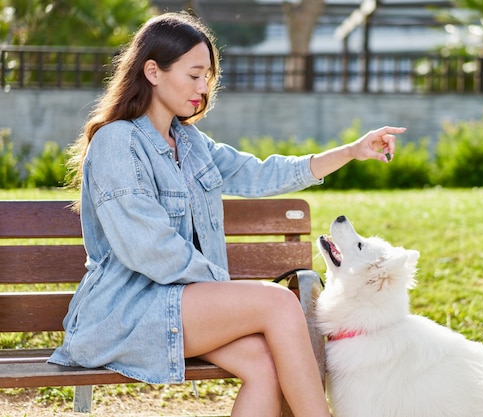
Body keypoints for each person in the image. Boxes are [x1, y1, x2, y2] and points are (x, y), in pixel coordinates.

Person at [49, 11, 405, 417]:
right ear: (153, 71)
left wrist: (350, 151)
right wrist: (226, 290)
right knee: (279, 303)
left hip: (179, 303)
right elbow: (147, 248)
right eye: (194, 75)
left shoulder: (191, 142)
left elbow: (260, 173)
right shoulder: (118, 142)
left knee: (265, 366)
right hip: (124, 313)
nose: (203, 89)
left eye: (207, 78)